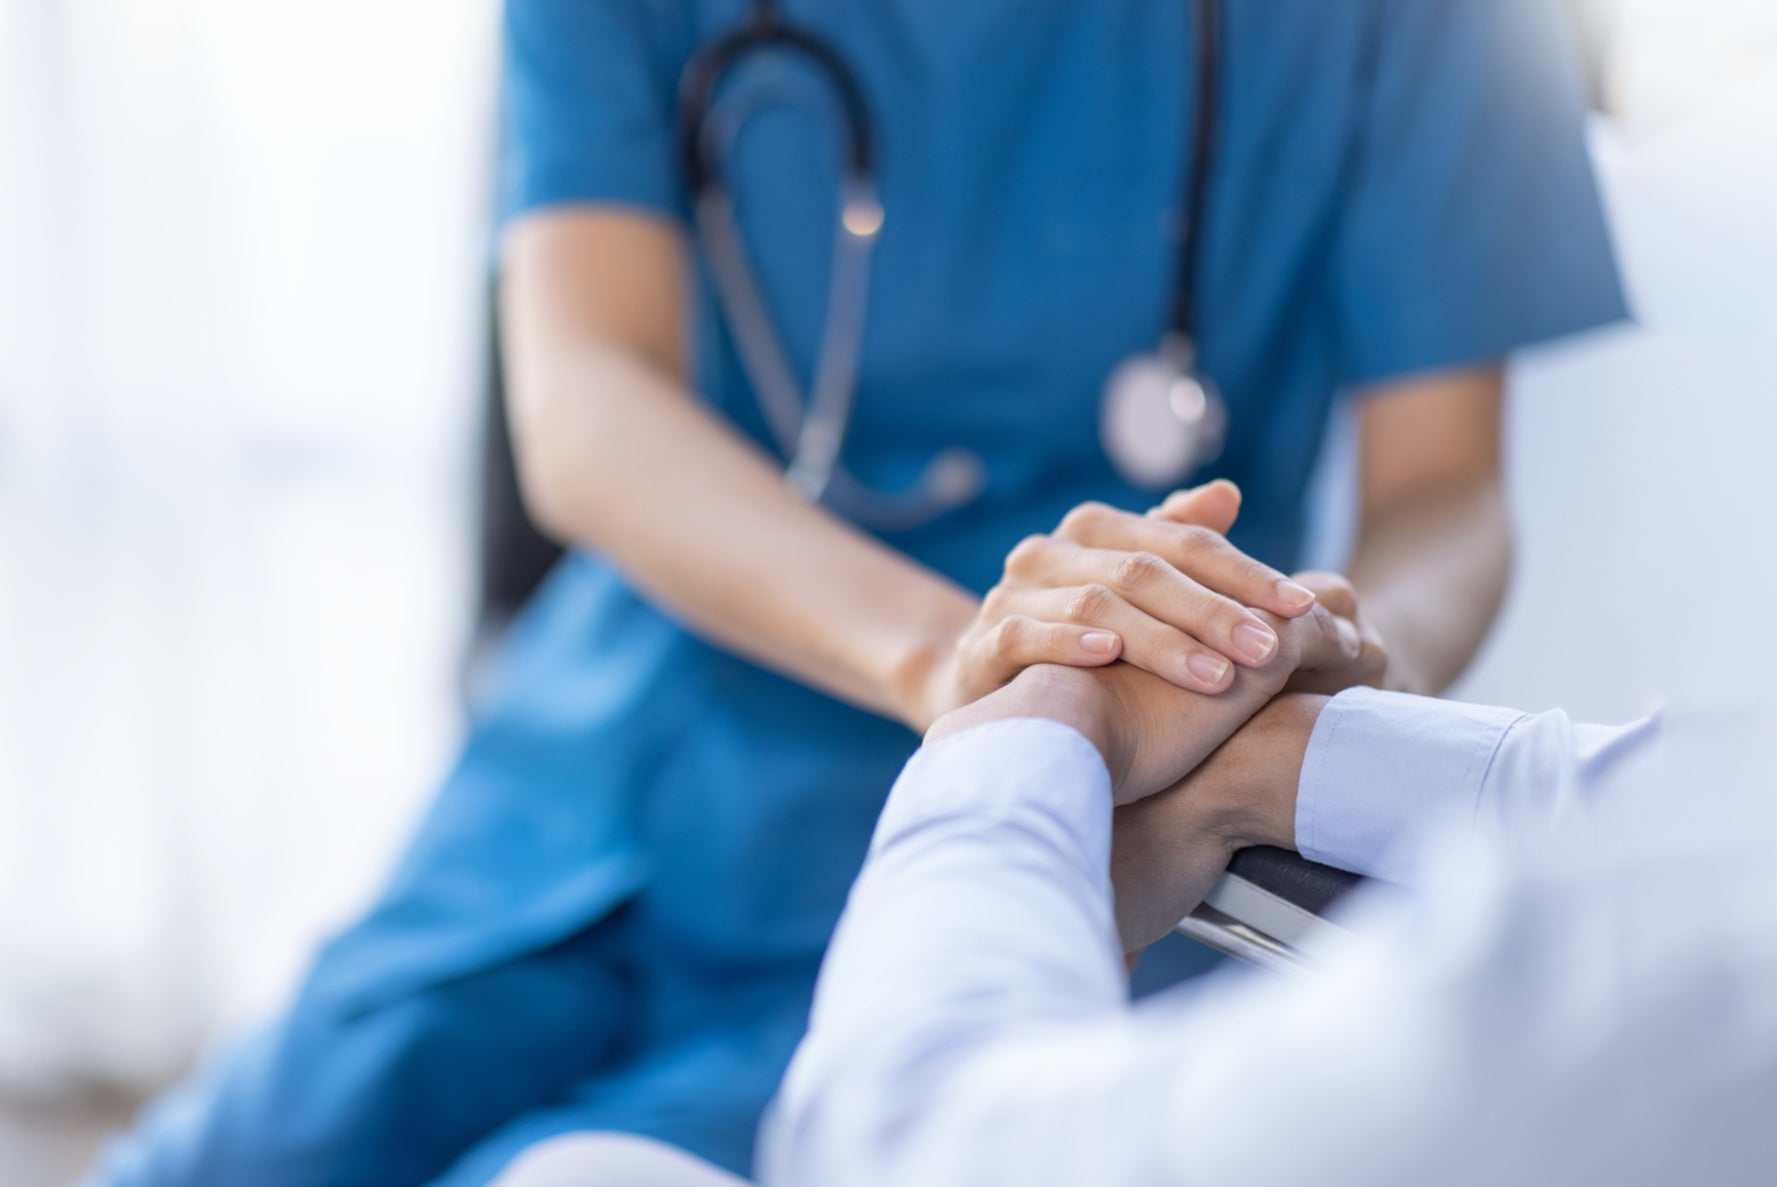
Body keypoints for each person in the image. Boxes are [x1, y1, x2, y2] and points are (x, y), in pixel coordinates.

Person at [88, 1, 1625, 1184]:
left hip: (1103, 815)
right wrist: (964, 663)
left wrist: (1310, 676)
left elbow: (1443, 494)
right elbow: (585, 402)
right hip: (635, 755)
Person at [760, 628, 1777, 1187]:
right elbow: (1697, 805)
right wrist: (1279, 753)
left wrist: (1035, 719)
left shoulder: (1635, 999)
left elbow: (907, 1149)